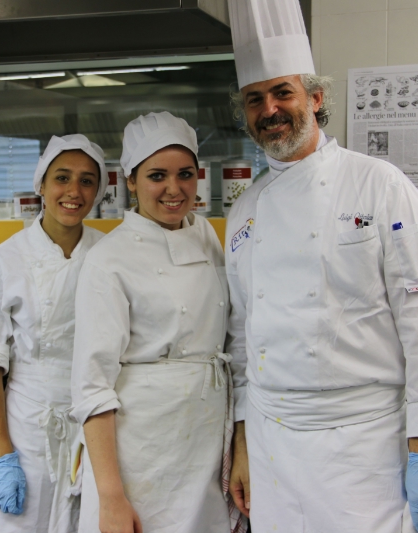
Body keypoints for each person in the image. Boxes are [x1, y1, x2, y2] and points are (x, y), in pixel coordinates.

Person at [223, 2, 418, 533]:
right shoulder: (245, 209)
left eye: (282, 92)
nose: (270, 109)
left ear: (315, 98)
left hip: (362, 447)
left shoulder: (378, 185)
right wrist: (243, 440)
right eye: (254, 99)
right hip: (272, 447)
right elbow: (244, 335)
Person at [71, 112, 241, 533]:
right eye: (157, 176)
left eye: (185, 174)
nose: (174, 189)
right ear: (130, 181)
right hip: (141, 453)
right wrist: (111, 496)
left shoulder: (206, 235)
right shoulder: (108, 259)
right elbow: (92, 386)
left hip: (203, 440)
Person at [0, 134, 108, 533]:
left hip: (93, 422)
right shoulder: (3, 260)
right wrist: (2, 454)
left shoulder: (109, 255)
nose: (74, 191)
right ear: (41, 186)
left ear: (98, 191)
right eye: (62, 178)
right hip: (26, 427)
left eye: (86, 181)